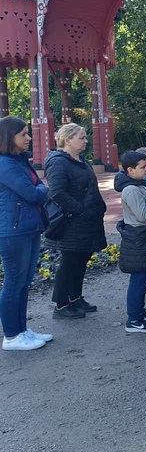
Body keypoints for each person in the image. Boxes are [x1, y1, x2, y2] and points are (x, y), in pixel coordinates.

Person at [46, 123, 107, 319]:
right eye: (81, 137)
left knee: (81, 260)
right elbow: (57, 193)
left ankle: (75, 297)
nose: (85, 141)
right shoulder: (58, 162)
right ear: (68, 140)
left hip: (87, 221)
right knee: (70, 262)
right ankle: (61, 305)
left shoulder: (80, 160)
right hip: (72, 222)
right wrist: (80, 210)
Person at [0, 117, 51, 350]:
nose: (28, 138)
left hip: (26, 227)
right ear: (8, 137)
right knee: (14, 283)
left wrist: (40, 189)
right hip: (13, 231)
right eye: (23, 134)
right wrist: (42, 189)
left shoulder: (18, 160)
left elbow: (37, 188)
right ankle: (11, 336)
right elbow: (33, 193)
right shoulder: (5, 164)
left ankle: (22, 330)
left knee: (23, 282)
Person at [115, 151, 146, 333]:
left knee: (143, 276)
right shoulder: (131, 189)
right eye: (142, 167)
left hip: (142, 237)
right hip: (138, 238)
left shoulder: (138, 185)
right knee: (138, 280)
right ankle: (133, 319)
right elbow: (142, 215)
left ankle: (139, 313)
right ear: (130, 170)